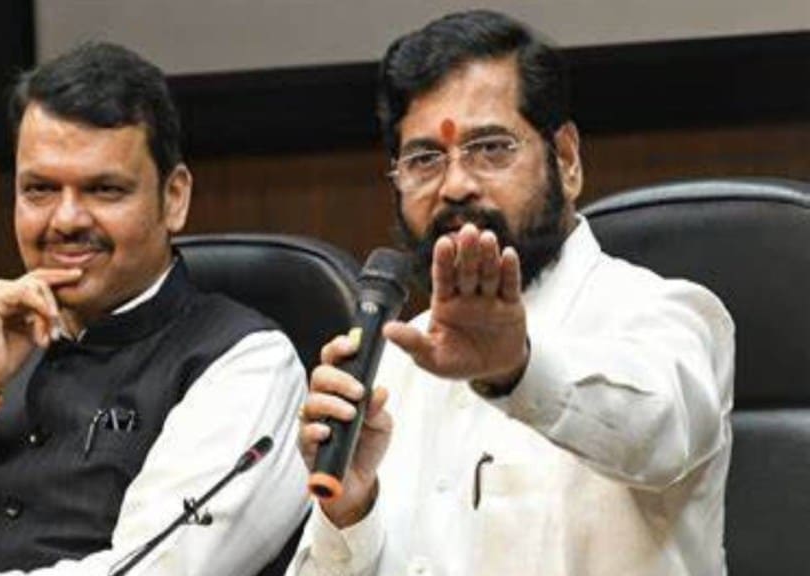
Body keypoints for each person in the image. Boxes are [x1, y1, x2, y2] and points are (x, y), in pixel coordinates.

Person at [0, 42, 309, 576]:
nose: (67, 219)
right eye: (40, 190)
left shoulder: (249, 364)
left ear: (174, 198)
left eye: (104, 190)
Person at [290, 10, 734, 576]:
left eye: (491, 148)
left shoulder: (667, 316)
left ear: (566, 160)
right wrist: (352, 512)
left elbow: (660, 434)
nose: (455, 185)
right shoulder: (391, 363)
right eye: (424, 159)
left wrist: (518, 370)